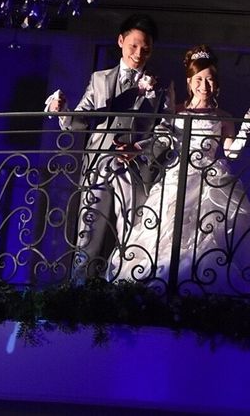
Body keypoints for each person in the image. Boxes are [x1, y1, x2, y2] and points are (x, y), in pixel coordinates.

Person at [110, 44, 250, 301]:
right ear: (189, 82)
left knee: (217, 234)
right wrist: (137, 147)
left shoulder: (223, 116)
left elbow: (231, 153)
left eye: (209, 79)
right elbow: (162, 140)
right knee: (165, 232)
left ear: (216, 83)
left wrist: (246, 127)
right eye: (198, 79)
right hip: (176, 178)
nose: (204, 85)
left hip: (211, 181)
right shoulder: (176, 111)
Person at [45, 14, 172, 282]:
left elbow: (166, 131)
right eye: (134, 46)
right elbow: (81, 120)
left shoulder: (161, 86)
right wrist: (63, 111)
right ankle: (79, 290)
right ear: (121, 41)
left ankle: (125, 290)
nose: (139, 54)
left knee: (132, 232)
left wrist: (139, 148)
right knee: (88, 231)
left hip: (136, 169)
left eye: (146, 49)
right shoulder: (99, 79)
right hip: (98, 164)